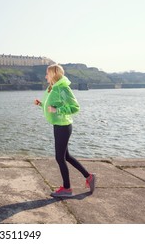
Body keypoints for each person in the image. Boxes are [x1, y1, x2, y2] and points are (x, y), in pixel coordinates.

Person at [34, 64, 96, 197]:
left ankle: (67, 189)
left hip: (63, 126)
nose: (45, 76)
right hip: (58, 125)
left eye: (47, 74)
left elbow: (75, 107)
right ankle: (89, 177)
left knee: (59, 157)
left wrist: (58, 110)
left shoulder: (63, 88)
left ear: (54, 74)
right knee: (66, 156)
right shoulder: (53, 88)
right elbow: (51, 106)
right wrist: (41, 104)